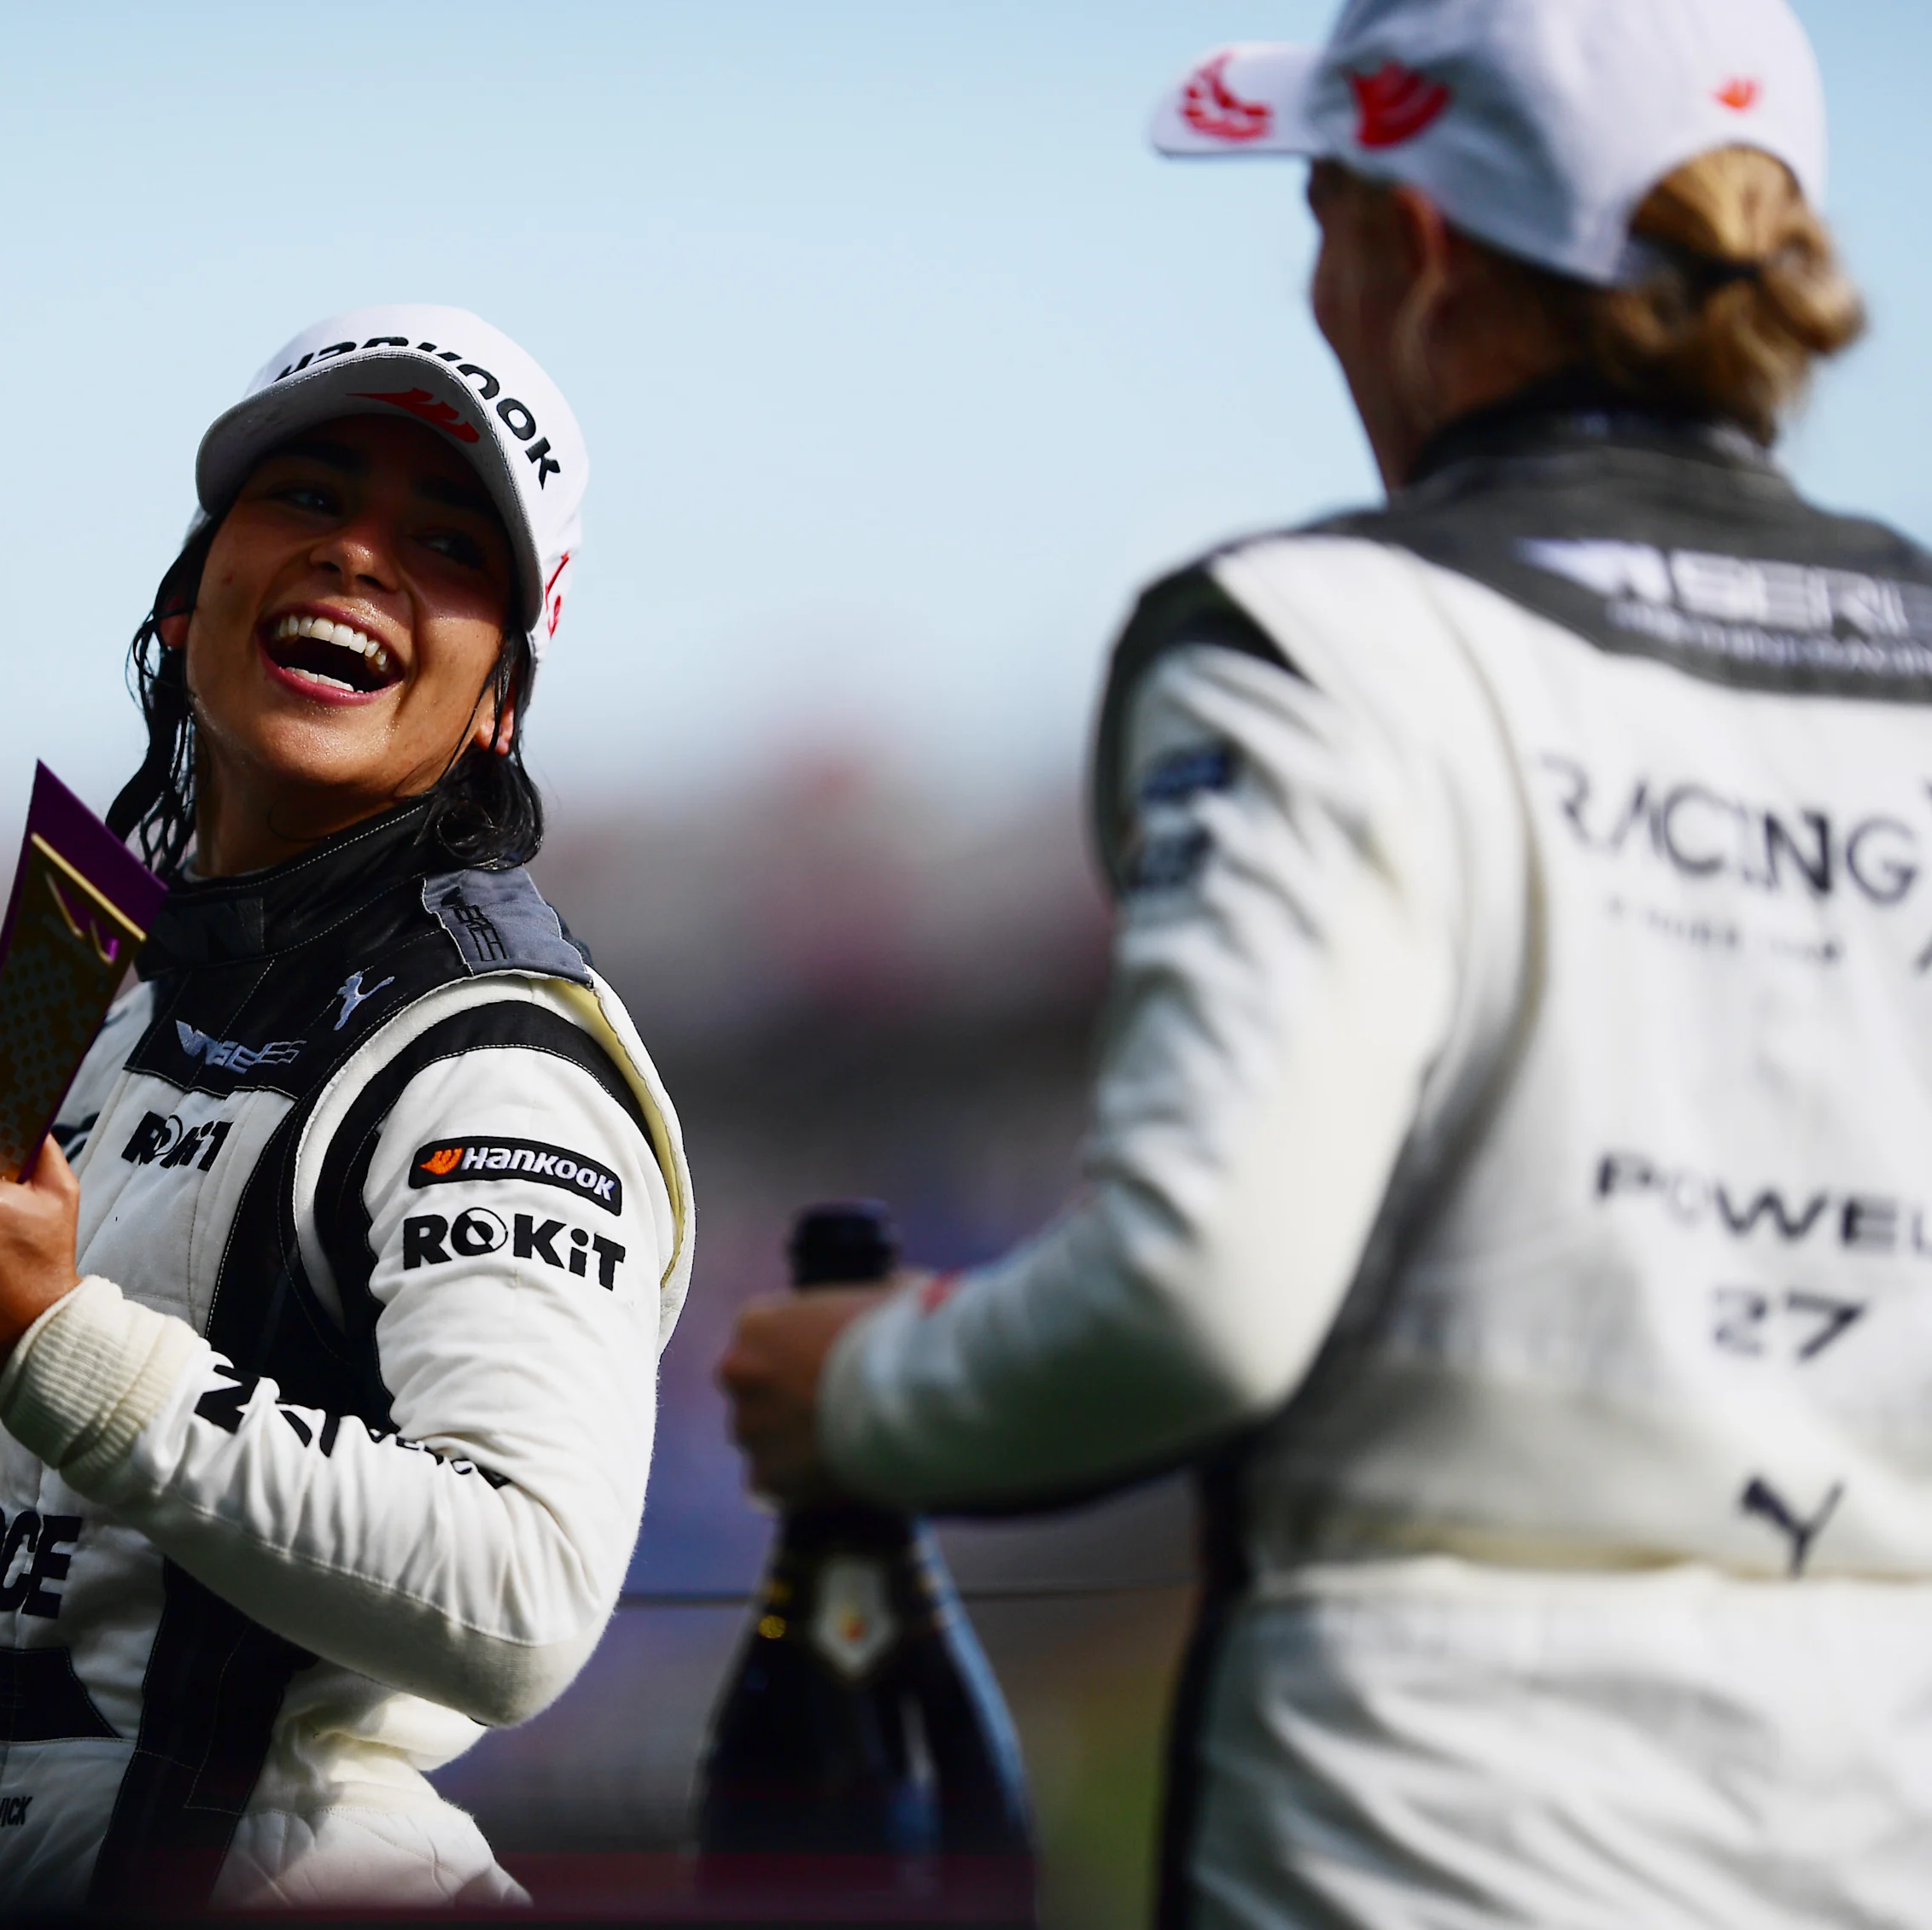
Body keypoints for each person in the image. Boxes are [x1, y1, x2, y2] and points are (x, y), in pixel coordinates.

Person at [721, 1, 1928, 1922]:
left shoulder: (1312, 642)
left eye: (1315, 209)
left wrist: (863, 1387)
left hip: (1437, 1833)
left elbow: (1200, 1299)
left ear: (1414, 248)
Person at [0, 305, 695, 1912]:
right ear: (183, 602)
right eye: (308, 499)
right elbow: (118, 1622)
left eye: (446, 541)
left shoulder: (491, 1058)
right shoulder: (125, 995)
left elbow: (521, 1598)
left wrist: (42, 1342)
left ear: (503, 696)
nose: (362, 558)